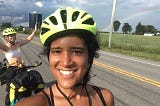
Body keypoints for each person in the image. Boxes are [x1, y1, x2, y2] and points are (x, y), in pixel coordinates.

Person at [14, 7, 114, 106]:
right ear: (48, 55)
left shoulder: (105, 98)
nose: (66, 62)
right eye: (57, 51)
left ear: (90, 56)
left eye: (76, 52)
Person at [0, 24, 44, 106]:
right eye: (9, 36)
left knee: (26, 85)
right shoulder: (5, 47)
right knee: (12, 88)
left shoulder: (18, 44)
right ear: (6, 38)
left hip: (21, 68)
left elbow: (28, 39)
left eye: (13, 35)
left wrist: (34, 31)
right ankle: (12, 104)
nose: (11, 37)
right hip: (11, 70)